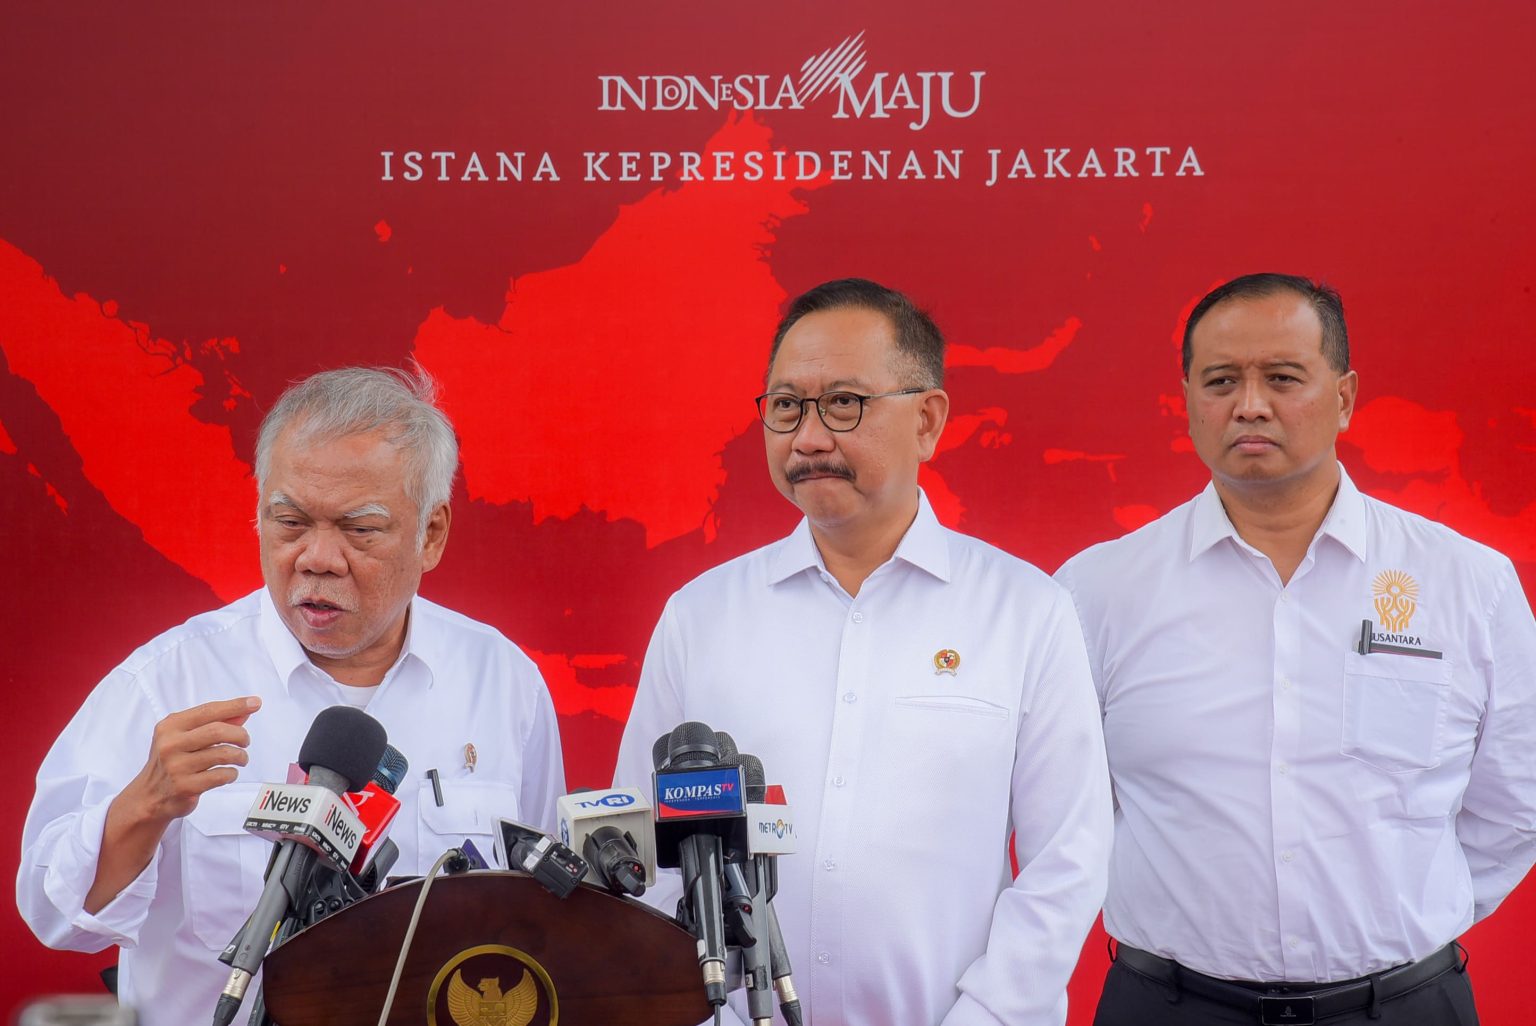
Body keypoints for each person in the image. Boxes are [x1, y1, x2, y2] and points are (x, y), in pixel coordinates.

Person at [615, 278, 1112, 1025]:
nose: (809, 438)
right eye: (788, 406)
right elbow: (643, 851)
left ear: (927, 420)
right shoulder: (701, 616)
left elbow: (1067, 859)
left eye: (844, 403)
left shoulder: (1025, 611)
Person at [1055, 273, 1536, 1025]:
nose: (1250, 404)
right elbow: (1064, 805)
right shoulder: (1097, 590)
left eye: (1282, 378)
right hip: (1170, 1004)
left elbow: (1515, 802)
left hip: (1404, 1005)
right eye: (1221, 381)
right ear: (1188, 399)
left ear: (1343, 397)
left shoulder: (1468, 584)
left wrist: (1395, 926)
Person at [18, 366, 565, 1026]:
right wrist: (145, 805)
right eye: (291, 522)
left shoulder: (501, 682)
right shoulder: (166, 684)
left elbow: (543, 918)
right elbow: (52, 915)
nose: (317, 557)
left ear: (431, 533)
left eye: (360, 529)